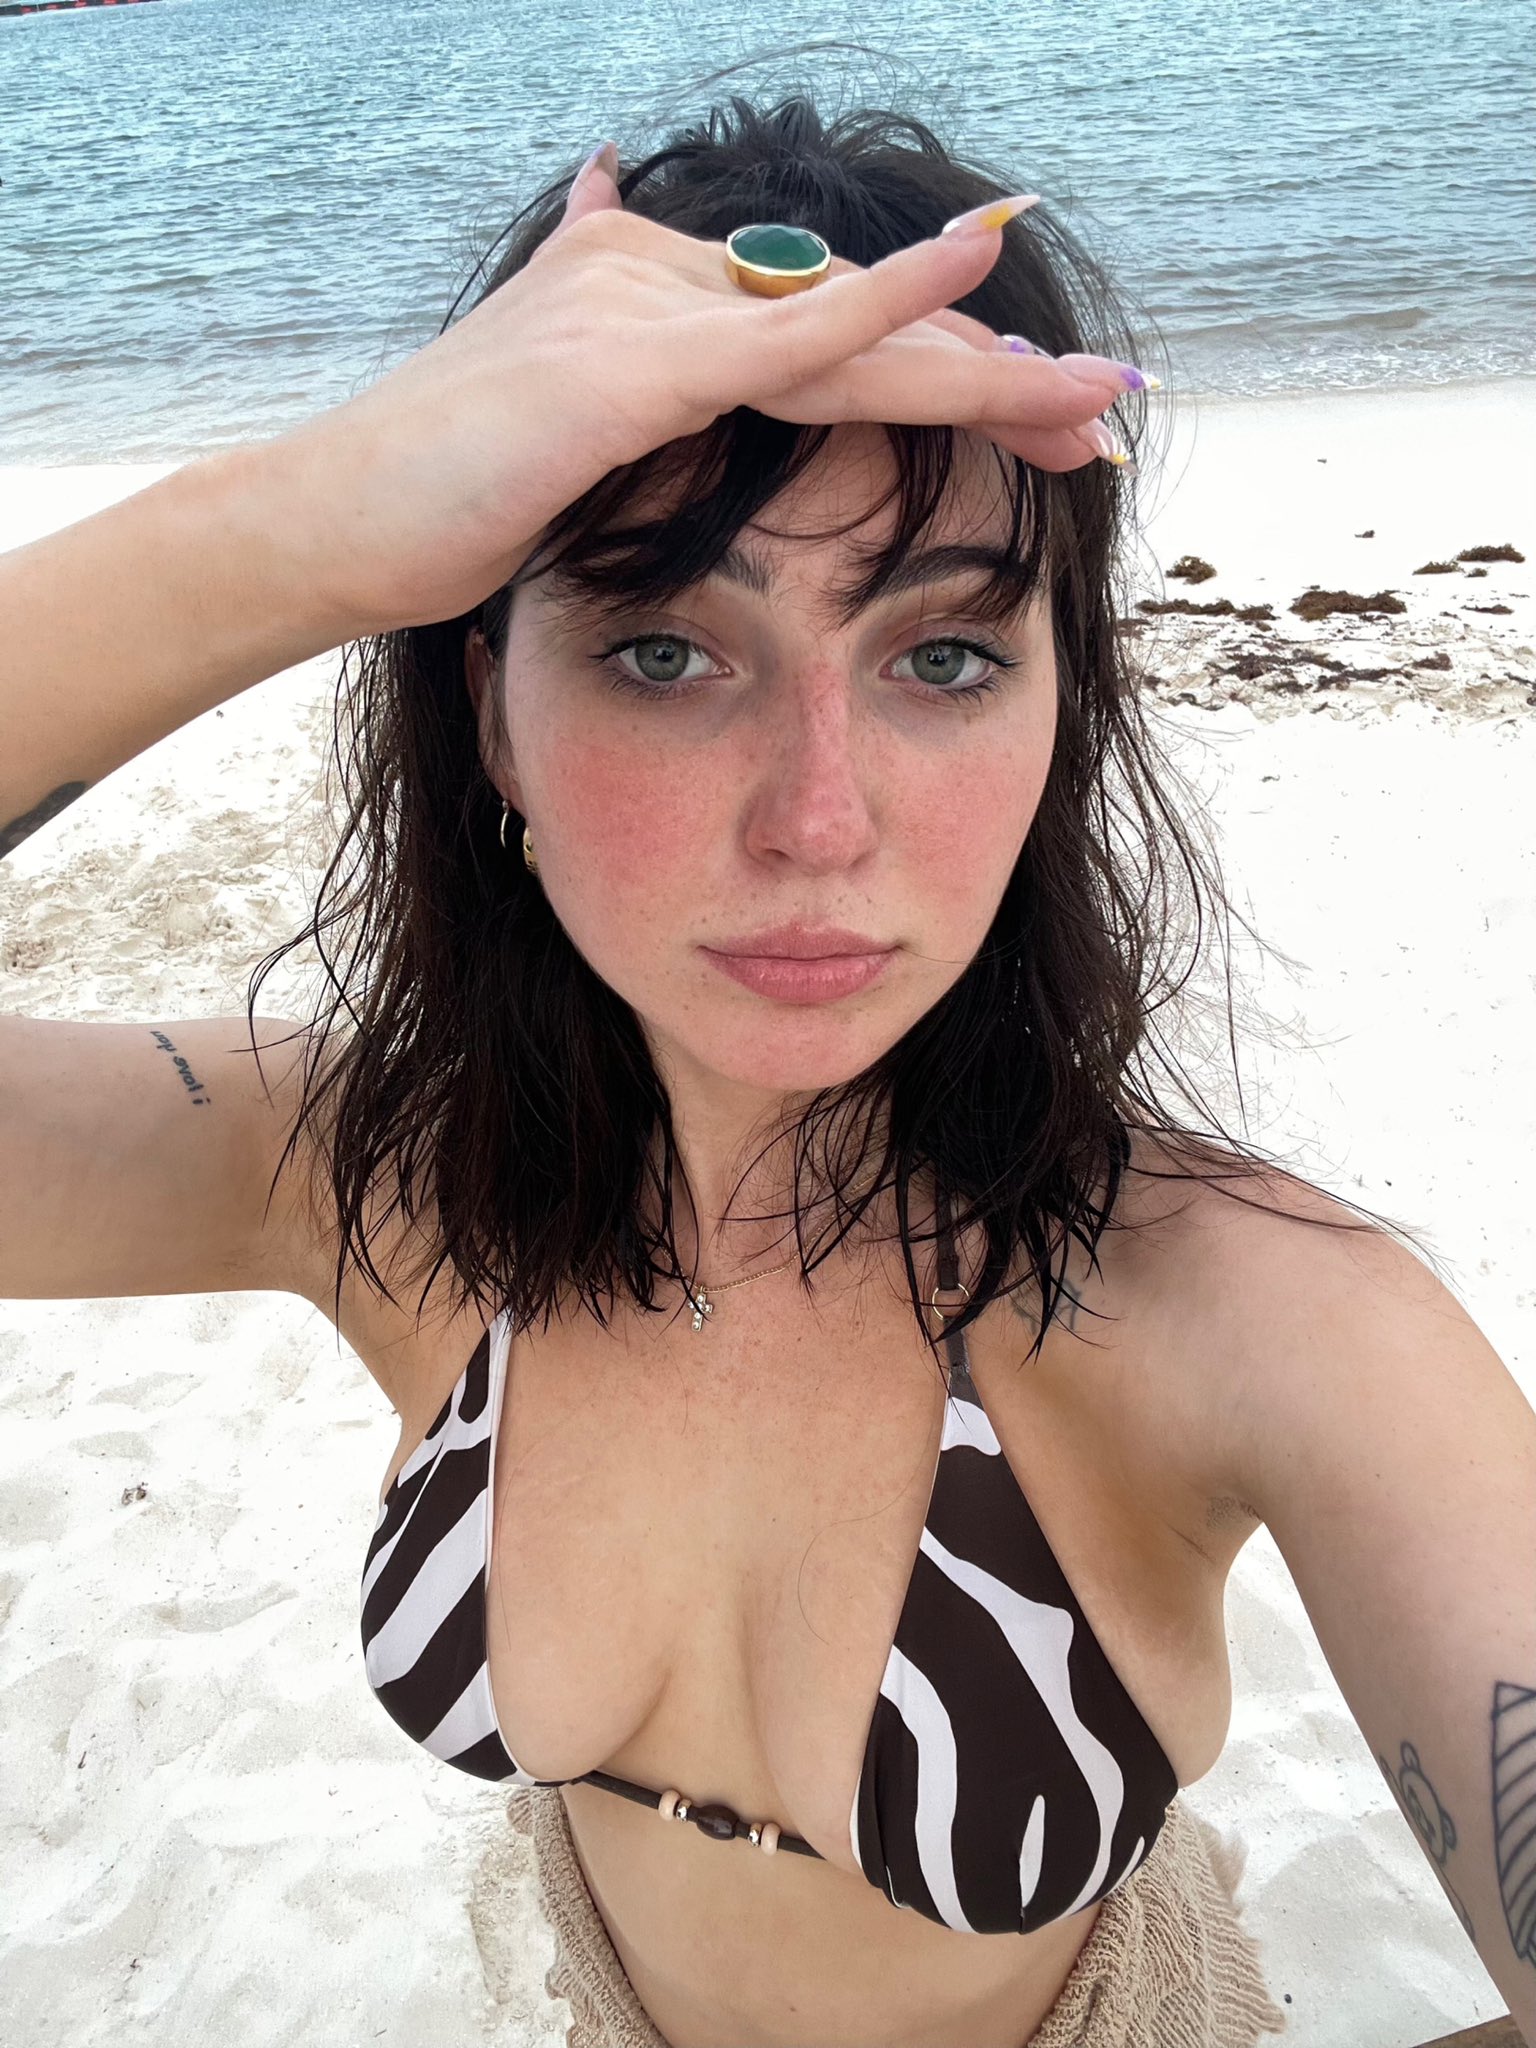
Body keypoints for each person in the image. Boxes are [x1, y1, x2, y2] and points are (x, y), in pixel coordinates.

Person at [3, 89, 1533, 2048]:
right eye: (665, 652)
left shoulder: (1255, 1315)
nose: (820, 820)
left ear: (1062, 707)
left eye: (944, 656)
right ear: (492, 714)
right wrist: (296, 528)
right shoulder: (373, 1166)